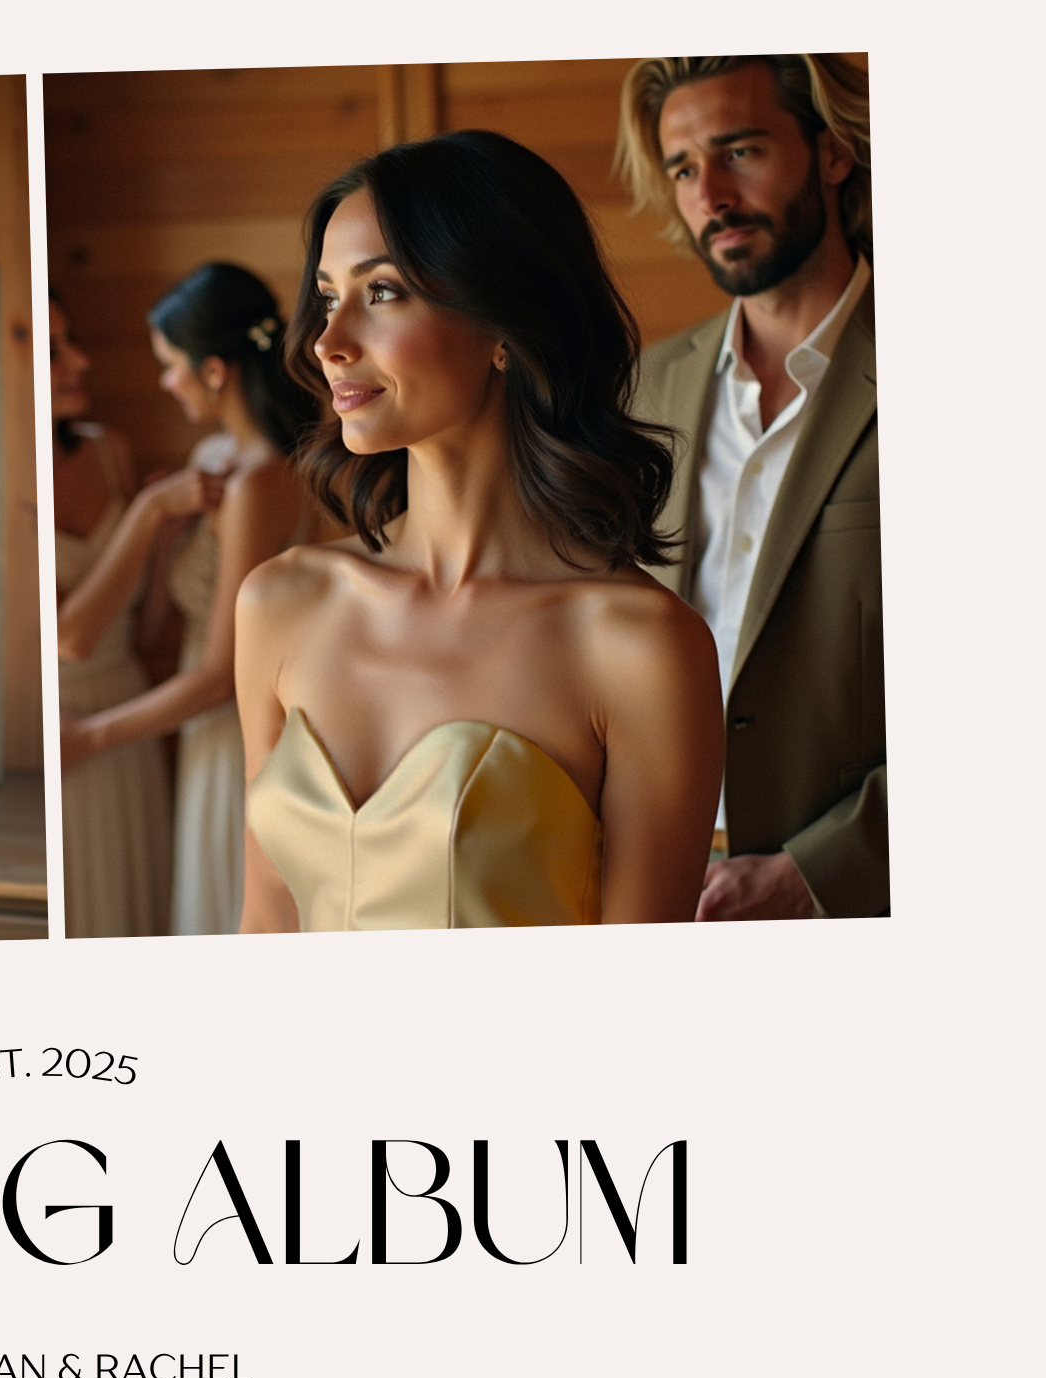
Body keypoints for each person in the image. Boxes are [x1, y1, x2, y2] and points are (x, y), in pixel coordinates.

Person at [236, 131, 725, 931]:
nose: (329, 342)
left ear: (505, 324)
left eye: (382, 291)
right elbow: (265, 921)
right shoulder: (279, 602)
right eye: (327, 297)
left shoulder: (639, 646)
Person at [616, 55, 882, 920]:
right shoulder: (645, 389)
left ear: (833, 150)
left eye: (741, 152)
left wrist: (821, 873)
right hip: (660, 886)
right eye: (685, 169)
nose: (712, 196)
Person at [57, 263, 317, 935]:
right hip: (197, 731)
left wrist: (92, 734)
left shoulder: (260, 482)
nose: (164, 382)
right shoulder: (215, 460)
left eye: (170, 365)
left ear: (214, 370)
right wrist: (165, 530)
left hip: (237, 730)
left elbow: (218, 678)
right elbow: (154, 631)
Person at [49, 296, 173, 938]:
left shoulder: (109, 452)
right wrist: (148, 513)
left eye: (69, 341)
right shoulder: (11, 492)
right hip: (60, 728)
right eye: (52, 352)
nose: (80, 361)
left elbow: (145, 629)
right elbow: (70, 638)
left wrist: (164, 543)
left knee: (132, 903)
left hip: (125, 705)